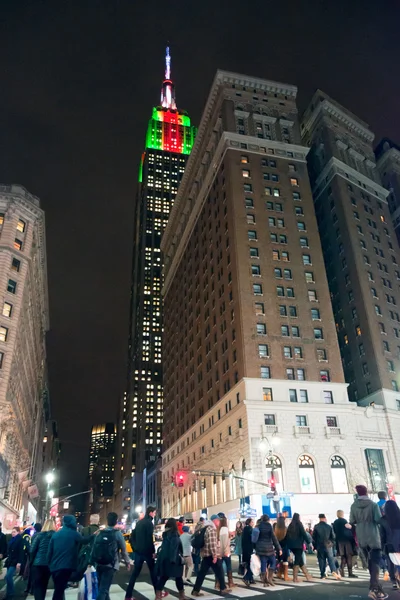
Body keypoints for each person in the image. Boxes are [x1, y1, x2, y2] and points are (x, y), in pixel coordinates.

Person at [350, 484, 386, 600]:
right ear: (366, 492)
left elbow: (352, 521)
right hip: (373, 536)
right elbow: (378, 519)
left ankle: (378, 589)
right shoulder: (373, 505)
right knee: (375, 561)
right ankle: (374, 589)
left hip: (361, 537)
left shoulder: (353, 506)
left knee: (370, 563)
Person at [47, 514, 88, 600]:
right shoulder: (73, 533)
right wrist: (94, 536)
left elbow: (49, 552)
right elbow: (84, 541)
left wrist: (49, 565)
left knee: (59, 589)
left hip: (54, 567)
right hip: (66, 566)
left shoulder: (56, 535)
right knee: (59, 591)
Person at [91, 512, 131, 600]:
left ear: (107, 520)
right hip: (111, 564)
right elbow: (124, 551)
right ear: (116, 521)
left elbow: (94, 548)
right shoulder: (117, 534)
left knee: (103, 588)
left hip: (99, 563)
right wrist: (128, 562)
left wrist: (92, 561)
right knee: (104, 589)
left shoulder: (99, 533)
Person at [191, 514, 231, 597]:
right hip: (210, 555)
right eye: (218, 520)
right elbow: (212, 544)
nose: (219, 522)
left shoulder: (205, 528)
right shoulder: (212, 530)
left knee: (202, 573)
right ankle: (223, 588)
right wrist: (215, 556)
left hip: (205, 555)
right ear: (215, 521)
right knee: (220, 571)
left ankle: (195, 590)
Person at [125, 506, 157, 599]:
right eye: (154, 513)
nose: (154, 514)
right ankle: (158, 593)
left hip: (139, 552)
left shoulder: (139, 523)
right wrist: (153, 551)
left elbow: (131, 537)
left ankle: (128, 595)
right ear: (150, 513)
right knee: (153, 573)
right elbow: (149, 539)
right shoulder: (149, 523)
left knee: (134, 574)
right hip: (147, 552)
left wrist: (135, 548)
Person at [156, 518, 186, 600]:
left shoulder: (165, 534)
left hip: (165, 559)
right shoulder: (174, 535)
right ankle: (181, 595)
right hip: (174, 560)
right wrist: (173, 559)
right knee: (178, 577)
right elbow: (174, 548)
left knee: (164, 577)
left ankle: (158, 596)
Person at [252, 514, 281, 587]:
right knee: (273, 561)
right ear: (268, 519)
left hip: (260, 548)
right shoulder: (269, 526)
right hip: (269, 548)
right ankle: (270, 578)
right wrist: (279, 548)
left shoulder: (258, 526)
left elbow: (254, 539)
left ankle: (265, 582)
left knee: (263, 564)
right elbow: (274, 538)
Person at [30, 519, 56, 600]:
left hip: (38, 564)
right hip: (49, 564)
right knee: (44, 584)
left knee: (38, 585)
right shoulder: (55, 536)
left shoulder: (39, 535)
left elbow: (32, 550)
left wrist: (32, 561)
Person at [312, 514, 341, 580]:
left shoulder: (316, 527)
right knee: (330, 559)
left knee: (321, 560)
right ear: (324, 518)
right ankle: (333, 571)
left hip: (320, 546)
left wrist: (315, 546)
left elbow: (314, 537)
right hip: (328, 545)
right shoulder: (329, 526)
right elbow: (333, 537)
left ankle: (323, 574)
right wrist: (331, 543)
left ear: (319, 518)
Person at [286, 513, 313, 582]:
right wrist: (309, 542)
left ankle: (307, 575)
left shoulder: (291, 525)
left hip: (291, 546)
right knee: (297, 561)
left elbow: (287, 535)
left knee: (300, 560)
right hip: (298, 545)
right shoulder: (299, 524)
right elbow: (304, 534)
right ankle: (295, 578)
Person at [380, 499, 400, 590]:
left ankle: (394, 581)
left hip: (390, 545)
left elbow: (382, 535)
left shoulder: (383, 520)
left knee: (391, 564)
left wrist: (382, 545)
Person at [333, 510, 357, 578]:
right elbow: (350, 528)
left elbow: (334, 531)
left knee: (343, 557)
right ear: (342, 514)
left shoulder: (335, 522)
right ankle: (350, 573)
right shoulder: (344, 521)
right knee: (349, 556)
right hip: (346, 541)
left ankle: (341, 571)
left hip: (339, 541)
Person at [5, 526, 24, 599]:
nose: (12, 533)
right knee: (8, 577)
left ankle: (11, 593)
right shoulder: (12, 539)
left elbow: (21, 552)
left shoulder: (20, 540)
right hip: (10, 560)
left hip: (15, 561)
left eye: (14, 532)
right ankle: (8, 593)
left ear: (18, 532)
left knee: (8, 576)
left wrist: (19, 562)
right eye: (12, 532)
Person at [218, 516, 234, 588]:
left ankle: (218, 583)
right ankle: (230, 582)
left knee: (219, 567)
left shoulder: (218, 530)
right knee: (228, 566)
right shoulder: (225, 529)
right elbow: (225, 542)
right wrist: (226, 551)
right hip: (226, 551)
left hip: (219, 551)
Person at [274, 516, 290, 581]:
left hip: (278, 547)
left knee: (279, 560)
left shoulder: (275, 529)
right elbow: (288, 539)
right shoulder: (286, 529)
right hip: (285, 547)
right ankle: (286, 576)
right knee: (285, 561)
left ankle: (279, 573)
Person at [241, 518, 254, 587]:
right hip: (249, 549)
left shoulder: (245, 529)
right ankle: (246, 577)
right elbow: (252, 539)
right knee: (250, 564)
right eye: (252, 522)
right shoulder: (250, 529)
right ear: (249, 522)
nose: (253, 523)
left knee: (248, 564)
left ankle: (251, 578)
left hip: (245, 549)